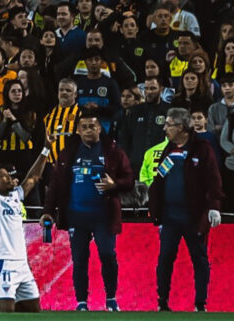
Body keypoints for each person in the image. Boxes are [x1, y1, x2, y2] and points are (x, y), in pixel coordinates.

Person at [41, 109, 134, 312]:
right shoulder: (69, 152)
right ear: (78, 130)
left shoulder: (112, 150)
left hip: (104, 216)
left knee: (108, 255)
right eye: (84, 127)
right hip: (76, 216)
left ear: (100, 127)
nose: (88, 130)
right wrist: (48, 210)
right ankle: (81, 302)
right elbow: (55, 183)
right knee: (79, 259)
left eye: (92, 126)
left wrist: (114, 184)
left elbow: (129, 179)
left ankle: (111, 298)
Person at [148, 108, 224, 312]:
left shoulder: (202, 148)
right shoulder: (169, 149)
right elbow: (159, 179)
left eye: (168, 124)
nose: (164, 128)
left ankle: (200, 304)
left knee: (199, 259)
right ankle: (161, 301)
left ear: (181, 127)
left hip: (194, 216)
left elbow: (213, 180)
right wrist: (155, 210)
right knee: (165, 258)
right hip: (170, 217)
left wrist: (214, 206)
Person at [0, 131, 54, 313]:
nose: (10, 179)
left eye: (10, 176)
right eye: (4, 176)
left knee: (33, 309)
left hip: (22, 262)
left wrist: (46, 149)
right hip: (3, 262)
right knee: (7, 311)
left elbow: (34, 178)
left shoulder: (15, 196)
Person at [121, 76, 170, 173]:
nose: (149, 92)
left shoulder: (168, 110)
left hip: (160, 164)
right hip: (136, 164)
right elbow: (125, 138)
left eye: (153, 88)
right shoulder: (134, 111)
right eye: (146, 88)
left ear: (161, 89)